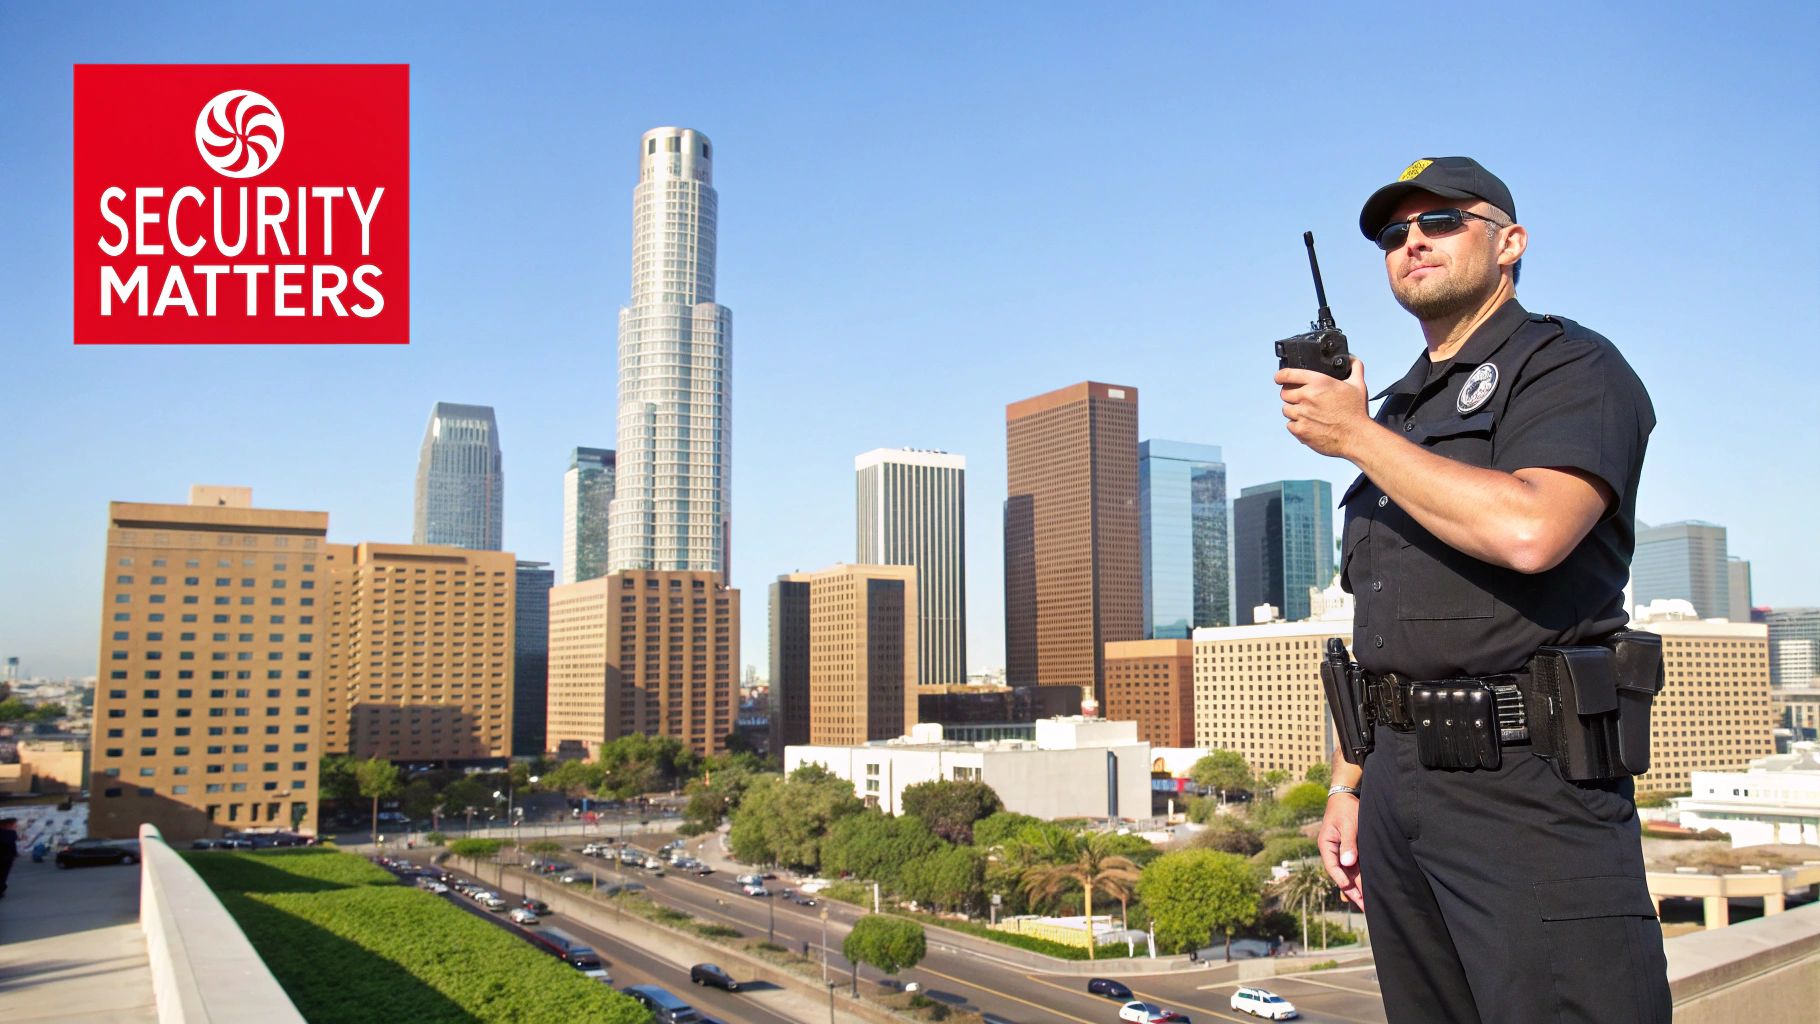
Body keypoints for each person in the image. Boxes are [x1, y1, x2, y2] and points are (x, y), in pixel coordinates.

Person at [1280, 156, 1671, 1023]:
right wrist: (1349, 786)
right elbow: (1386, 628)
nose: (1412, 242)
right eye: (1393, 234)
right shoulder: (1400, 413)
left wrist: (1354, 438)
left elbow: (1532, 531)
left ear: (1510, 243)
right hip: (1397, 790)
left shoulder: (1570, 367)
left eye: (1443, 221)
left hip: (1528, 790)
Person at [0, 817, 18, 898]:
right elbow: (12, 846)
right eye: (14, 825)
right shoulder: (10, 834)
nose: (16, 827)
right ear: (8, 825)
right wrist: (14, 855)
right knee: (3, 875)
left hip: (6, 857)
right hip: (6, 858)